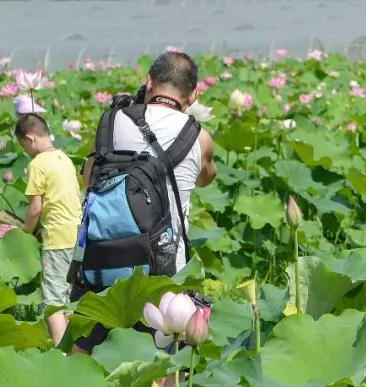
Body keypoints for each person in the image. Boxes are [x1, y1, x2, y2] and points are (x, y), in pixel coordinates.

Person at [75, 50, 218, 351]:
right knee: (163, 369)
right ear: (193, 96)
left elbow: (90, 179)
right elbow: (206, 177)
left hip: (103, 261)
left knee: (86, 353)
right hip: (164, 267)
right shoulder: (199, 138)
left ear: (149, 81)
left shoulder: (111, 121)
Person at [14, 113, 82, 346]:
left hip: (57, 238)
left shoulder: (37, 164)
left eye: (23, 146)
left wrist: (23, 233)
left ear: (30, 139)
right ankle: (75, 346)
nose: (25, 151)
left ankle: (61, 352)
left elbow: (35, 210)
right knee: (70, 296)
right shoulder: (64, 158)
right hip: (78, 235)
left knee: (53, 301)